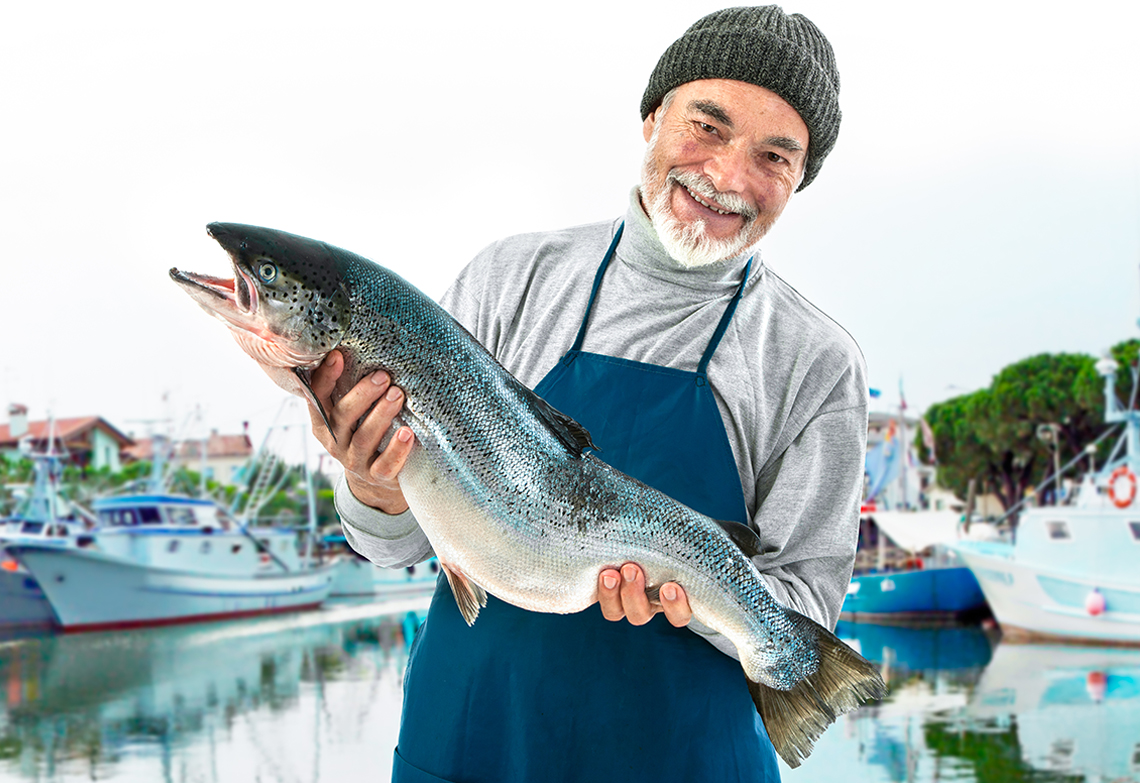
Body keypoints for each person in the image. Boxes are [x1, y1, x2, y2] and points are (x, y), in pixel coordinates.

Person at [307, 6, 866, 782]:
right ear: (651, 116)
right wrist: (373, 484)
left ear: (800, 180)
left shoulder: (816, 361)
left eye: (774, 156)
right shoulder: (510, 279)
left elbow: (804, 603)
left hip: (688, 760)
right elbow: (390, 546)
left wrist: (691, 591)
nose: (729, 178)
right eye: (707, 125)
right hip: (471, 744)